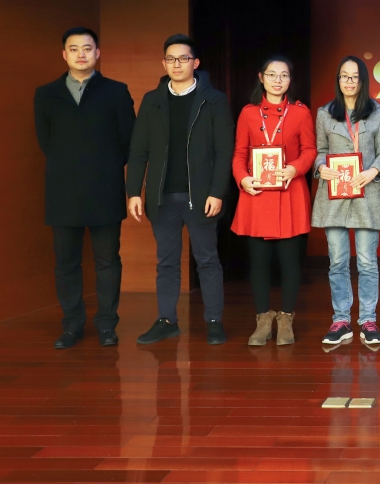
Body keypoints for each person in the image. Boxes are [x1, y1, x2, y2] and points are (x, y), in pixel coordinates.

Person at [127, 34, 234, 345]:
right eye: (171, 59)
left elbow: (224, 151)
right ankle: (166, 321)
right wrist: (134, 192)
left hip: (200, 196)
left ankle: (214, 321)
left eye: (183, 58)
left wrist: (217, 191)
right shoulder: (152, 100)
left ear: (195, 63)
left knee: (207, 260)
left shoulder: (214, 100)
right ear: (164, 63)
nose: (177, 64)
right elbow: (139, 150)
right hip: (161, 197)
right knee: (167, 262)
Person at [34, 27, 136, 349]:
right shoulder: (46, 94)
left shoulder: (116, 91)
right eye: (74, 48)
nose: (81, 54)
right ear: (64, 54)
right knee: (66, 263)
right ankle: (72, 326)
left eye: (87, 48)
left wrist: (105, 167)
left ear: (97, 53)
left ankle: (107, 325)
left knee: (108, 262)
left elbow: (128, 141)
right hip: (62, 191)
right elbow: (46, 141)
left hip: (105, 188)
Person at [232, 55, 316, 347]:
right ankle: (263, 320)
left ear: (290, 80)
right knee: (259, 263)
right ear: (261, 77)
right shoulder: (248, 113)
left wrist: (295, 168)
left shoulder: (301, 113)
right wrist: (243, 178)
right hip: (256, 195)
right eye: (272, 74)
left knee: (290, 262)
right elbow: (239, 153)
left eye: (284, 75)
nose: (278, 80)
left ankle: (286, 319)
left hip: (289, 193)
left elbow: (310, 150)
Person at [312, 56, 380, 346]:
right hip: (334, 195)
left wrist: (373, 171)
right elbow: (319, 150)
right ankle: (341, 320)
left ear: (362, 80)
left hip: (366, 194)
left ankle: (368, 319)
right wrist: (321, 167)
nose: (348, 81)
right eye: (344, 76)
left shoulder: (378, 113)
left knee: (367, 262)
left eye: (354, 76)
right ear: (338, 80)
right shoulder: (325, 113)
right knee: (337, 261)